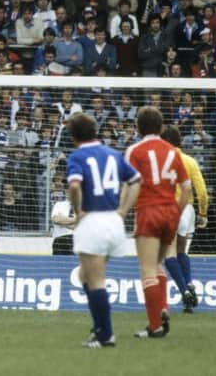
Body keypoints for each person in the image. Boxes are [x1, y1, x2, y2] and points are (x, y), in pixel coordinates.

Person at [66, 112, 140, 348]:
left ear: (73, 135)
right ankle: (99, 328)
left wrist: (78, 210)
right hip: (114, 221)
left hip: (93, 220)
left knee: (95, 279)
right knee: (86, 276)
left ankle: (105, 334)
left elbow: (75, 185)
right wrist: (123, 210)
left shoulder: (78, 155)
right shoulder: (113, 153)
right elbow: (136, 180)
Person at [125, 106, 191, 338]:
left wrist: (122, 211)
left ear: (138, 127)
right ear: (161, 127)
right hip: (169, 213)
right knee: (159, 264)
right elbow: (186, 188)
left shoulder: (135, 150)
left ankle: (155, 325)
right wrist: (177, 211)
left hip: (148, 211)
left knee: (147, 268)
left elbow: (131, 184)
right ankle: (163, 311)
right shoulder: (173, 151)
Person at [160, 125, 208, 313]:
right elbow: (202, 192)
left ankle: (184, 291)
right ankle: (188, 283)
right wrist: (203, 213)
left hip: (169, 208)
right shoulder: (190, 161)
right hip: (188, 209)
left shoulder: (162, 162)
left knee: (169, 253)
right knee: (182, 249)